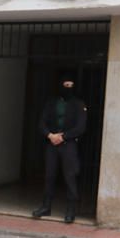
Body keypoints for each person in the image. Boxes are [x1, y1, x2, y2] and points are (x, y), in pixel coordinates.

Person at [32, 74, 87, 223]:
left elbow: (81, 127)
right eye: (65, 85)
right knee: (49, 176)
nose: (67, 88)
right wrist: (50, 135)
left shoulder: (78, 104)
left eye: (70, 85)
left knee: (70, 177)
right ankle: (46, 206)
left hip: (68, 144)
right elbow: (42, 122)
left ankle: (71, 211)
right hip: (51, 144)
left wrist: (63, 136)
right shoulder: (51, 103)